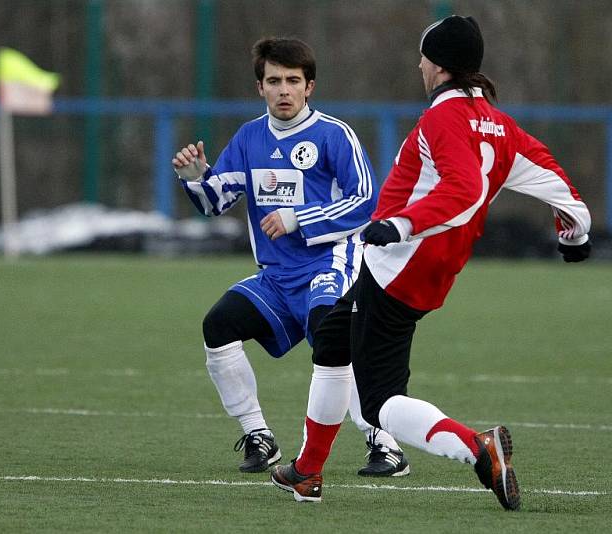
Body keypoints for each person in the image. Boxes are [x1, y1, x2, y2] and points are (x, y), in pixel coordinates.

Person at [271, 15, 592, 508]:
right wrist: (574, 229)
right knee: (333, 344)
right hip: (423, 269)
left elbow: (464, 190)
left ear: (439, 65)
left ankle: (476, 447)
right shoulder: (498, 125)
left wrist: (401, 224)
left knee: (379, 405)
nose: (419, 64)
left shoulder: (442, 117)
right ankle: (308, 470)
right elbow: (548, 173)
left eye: (423, 55)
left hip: (398, 266)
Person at [172, 37, 411, 478]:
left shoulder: (334, 135)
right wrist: (196, 178)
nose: (284, 90)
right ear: (259, 87)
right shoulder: (248, 138)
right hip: (276, 278)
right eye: (274, 81)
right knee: (218, 325)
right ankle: (258, 435)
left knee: (332, 338)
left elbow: (366, 203)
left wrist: (299, 218)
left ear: (310, 87)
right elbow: (216, 201)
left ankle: (384, 443)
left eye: (293, 81)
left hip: (329, 266)